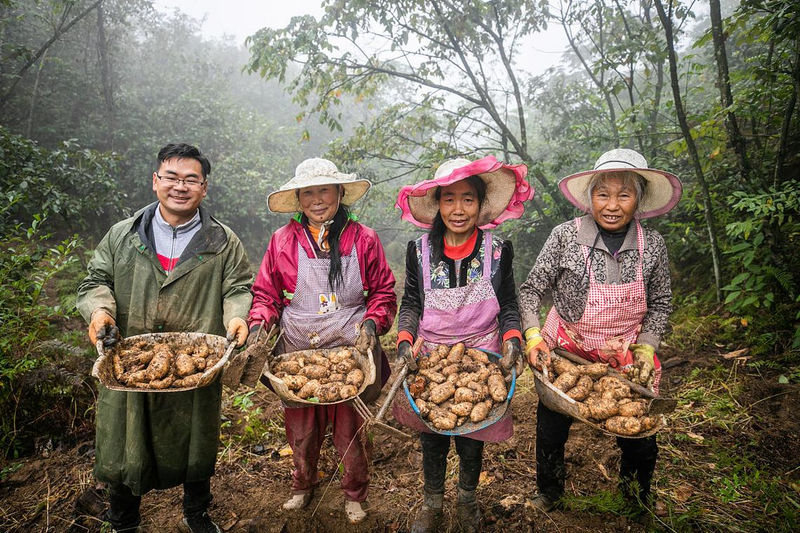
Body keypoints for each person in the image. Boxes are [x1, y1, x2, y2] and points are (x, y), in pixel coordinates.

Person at [77, 143, 253, 533]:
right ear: (155, 181)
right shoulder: (122, 236)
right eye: (171, 177)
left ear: (204, 188)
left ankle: (197, 515)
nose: (180, 186)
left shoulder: (222, 241)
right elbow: (96, 282)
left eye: (191, 179)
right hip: (128, 361)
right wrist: (100, 311)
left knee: (196, 437)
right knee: (124, 440)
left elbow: (238, 287)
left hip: (196, 360)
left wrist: (237, 317)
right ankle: (123, 521)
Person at [519, 148, 682, 513]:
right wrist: (531, 336)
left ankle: (635, 500)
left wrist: (646, 348)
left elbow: (661, 302)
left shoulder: (651, 245)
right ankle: (549, 491)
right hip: (564, 350)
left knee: (639, 434)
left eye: (624, 195)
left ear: (638, 199)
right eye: (602, 193)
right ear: (589, 197)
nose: (612, 204)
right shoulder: (565, 236)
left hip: (625, 357)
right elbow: (531, 291)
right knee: (551, 427)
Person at [248, 158, 397, 524]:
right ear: (298, 199)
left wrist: (372, 325)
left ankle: (354, 493)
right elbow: (266, 296)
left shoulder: (363, 238)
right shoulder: (282, 241)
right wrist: (258, 327)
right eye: (308, 193)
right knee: (301, 430)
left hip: (351, 351)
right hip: (298, 351)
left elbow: (383, 292)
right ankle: (302, 485)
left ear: (340, 193)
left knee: (350, 430)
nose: (317, 200)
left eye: (324, 190)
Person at [392, 156, 534, 532]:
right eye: (449, 199)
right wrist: (405, 340)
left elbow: (508, 305)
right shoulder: (419, 250)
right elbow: (411, 302)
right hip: (432, 357)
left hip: (481, 355)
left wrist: (512, 340)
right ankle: (432, 502)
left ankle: (467, 501)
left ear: (481, 203)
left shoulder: (498, 250)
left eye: (468, 199)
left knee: (474, 433)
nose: (459, 209)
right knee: (433, 436)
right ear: (437, 204)